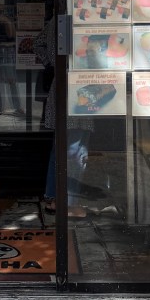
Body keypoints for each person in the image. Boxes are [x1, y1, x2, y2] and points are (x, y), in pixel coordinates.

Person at [32, 15, 93, 219]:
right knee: (75, 148)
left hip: (62, 85)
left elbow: (38, 44)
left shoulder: (56, 20)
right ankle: (67, 202)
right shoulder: (80, 19)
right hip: (79, 86)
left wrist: (52, 64)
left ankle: (54, 197)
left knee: (61, 147)